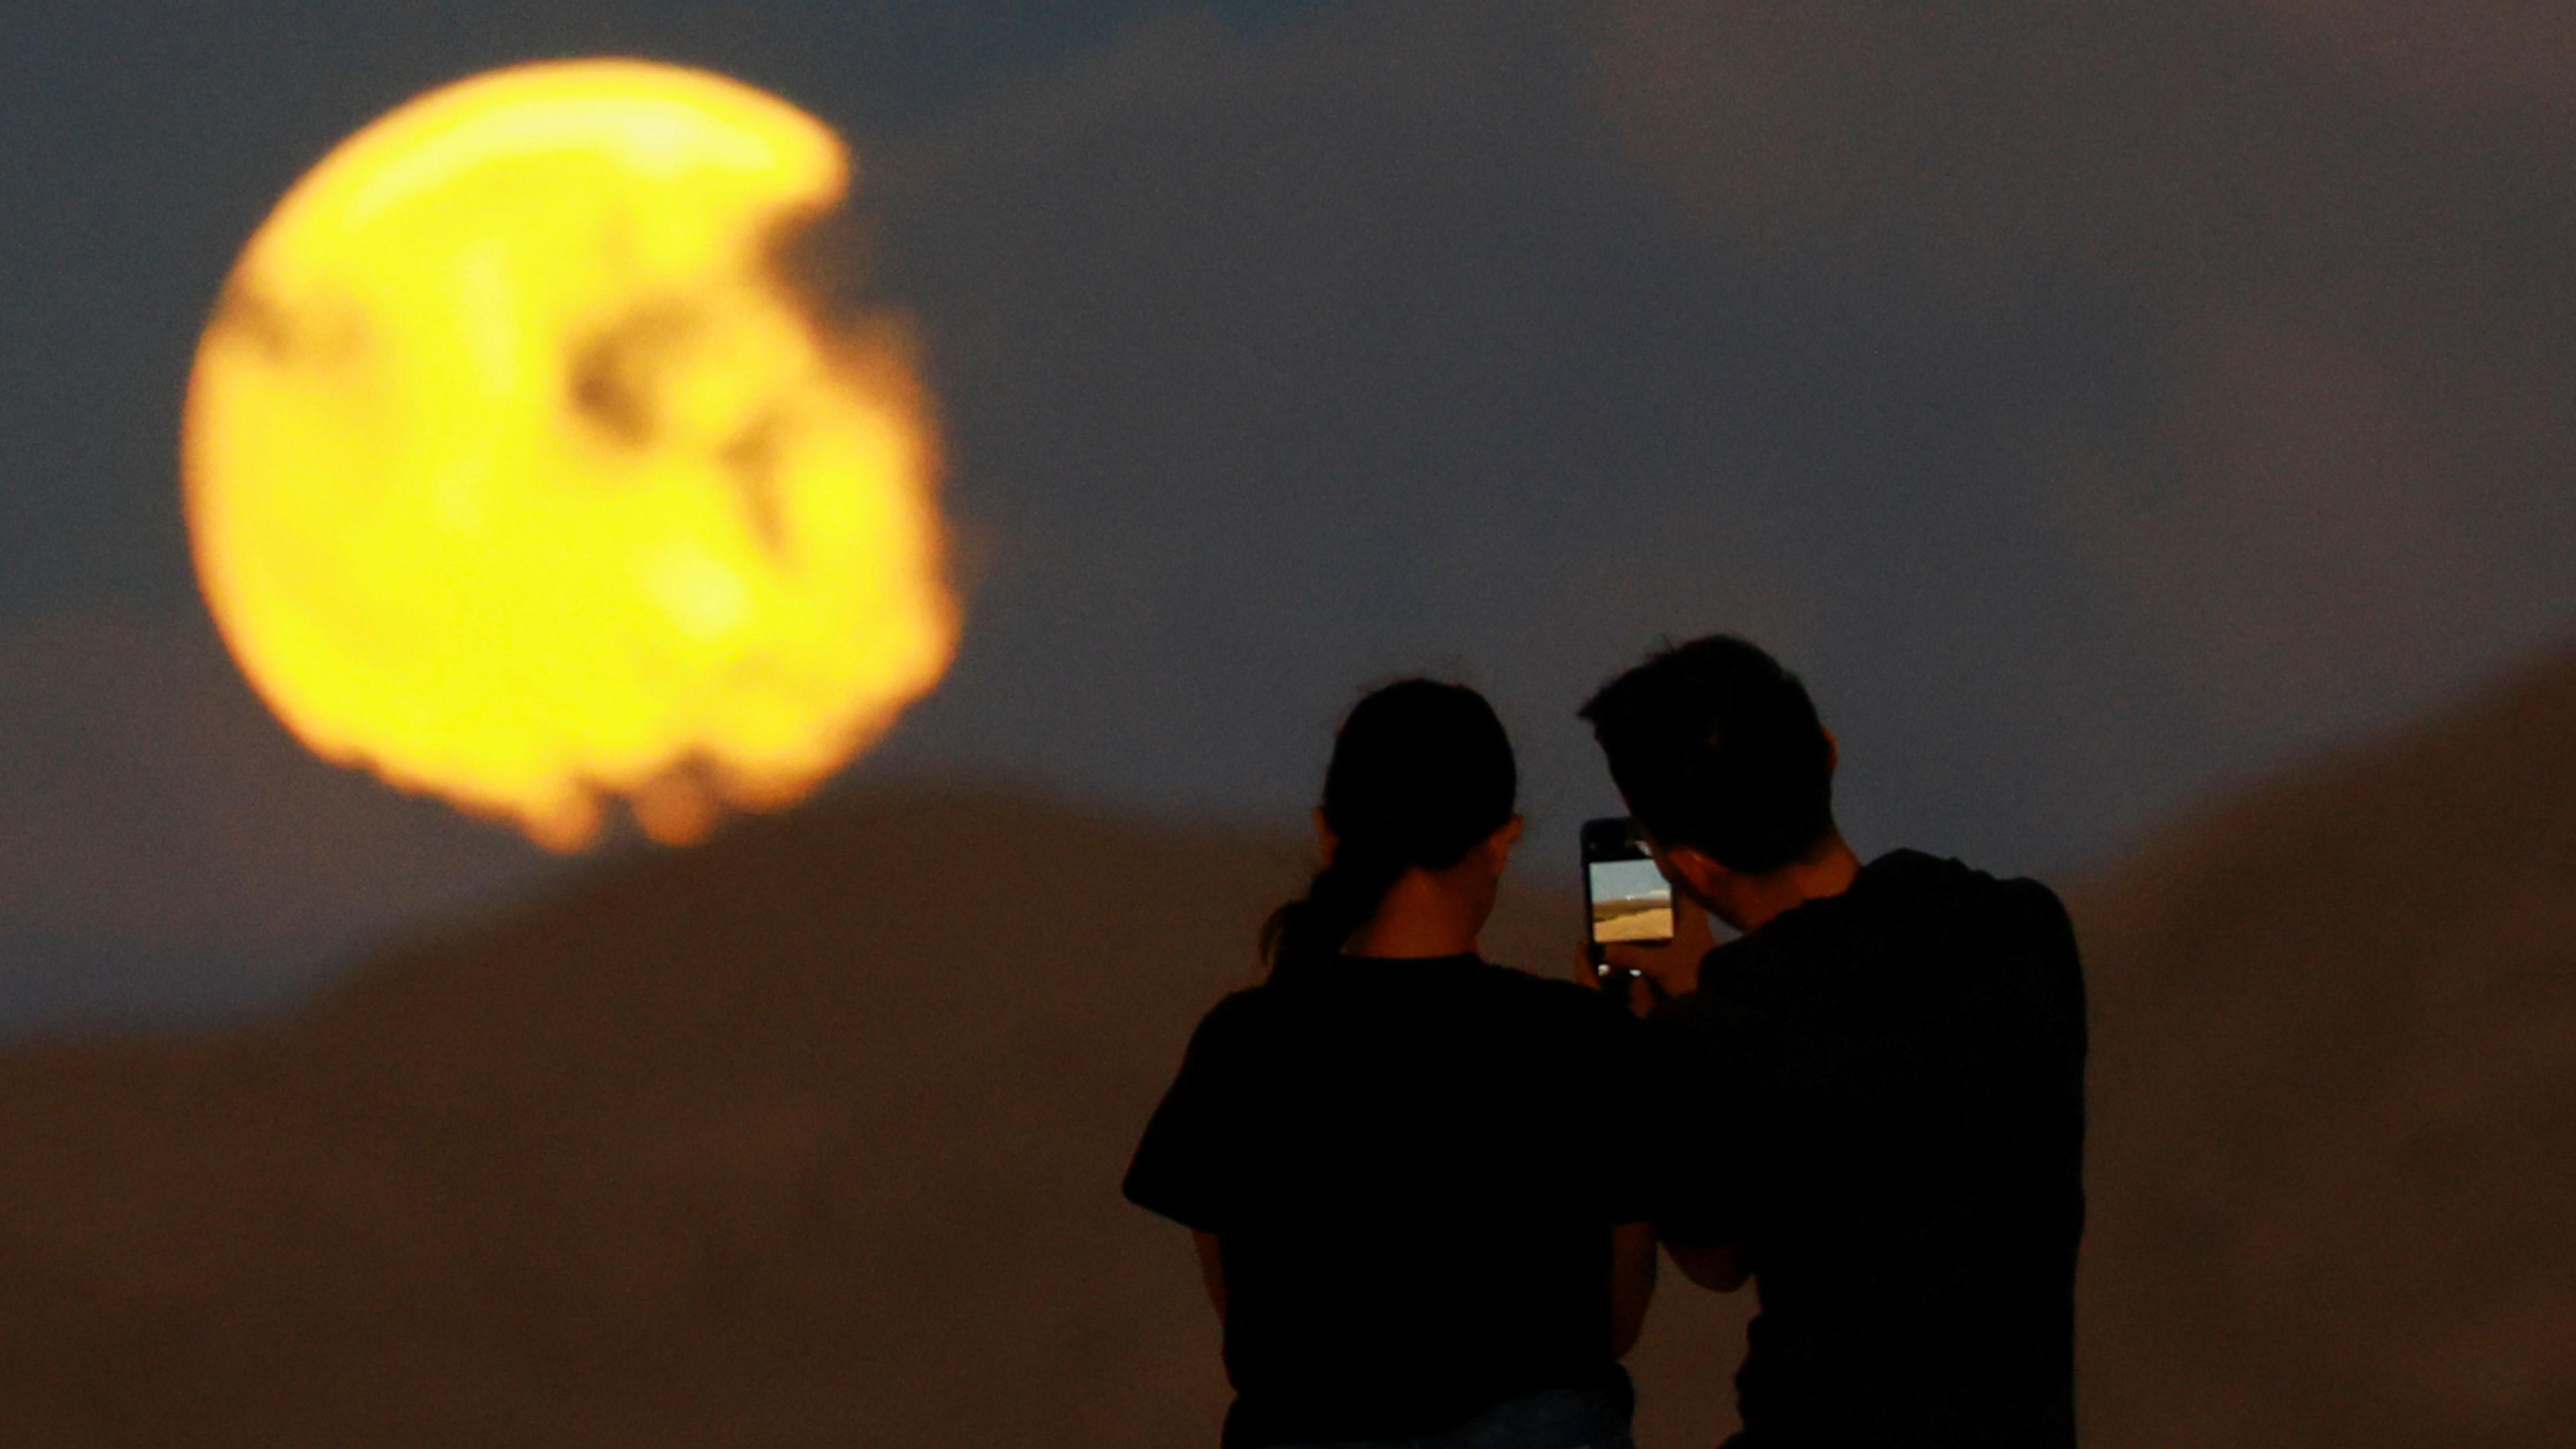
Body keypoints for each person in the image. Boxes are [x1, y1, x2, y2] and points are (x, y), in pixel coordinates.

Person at [1581, 636, 2087, 1448]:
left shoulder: (1710, 1039)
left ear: (1692, 871)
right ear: (1826, 754)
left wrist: (1664, 1019)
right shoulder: (2022, 929)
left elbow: (1714, 1260)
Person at [1124, 679, 1656, 1449]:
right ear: (1501, 842)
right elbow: (1616, 1318)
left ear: (1328, 836)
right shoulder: (1578, 1040)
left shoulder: (1245, 1043)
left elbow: (1241, 1309)